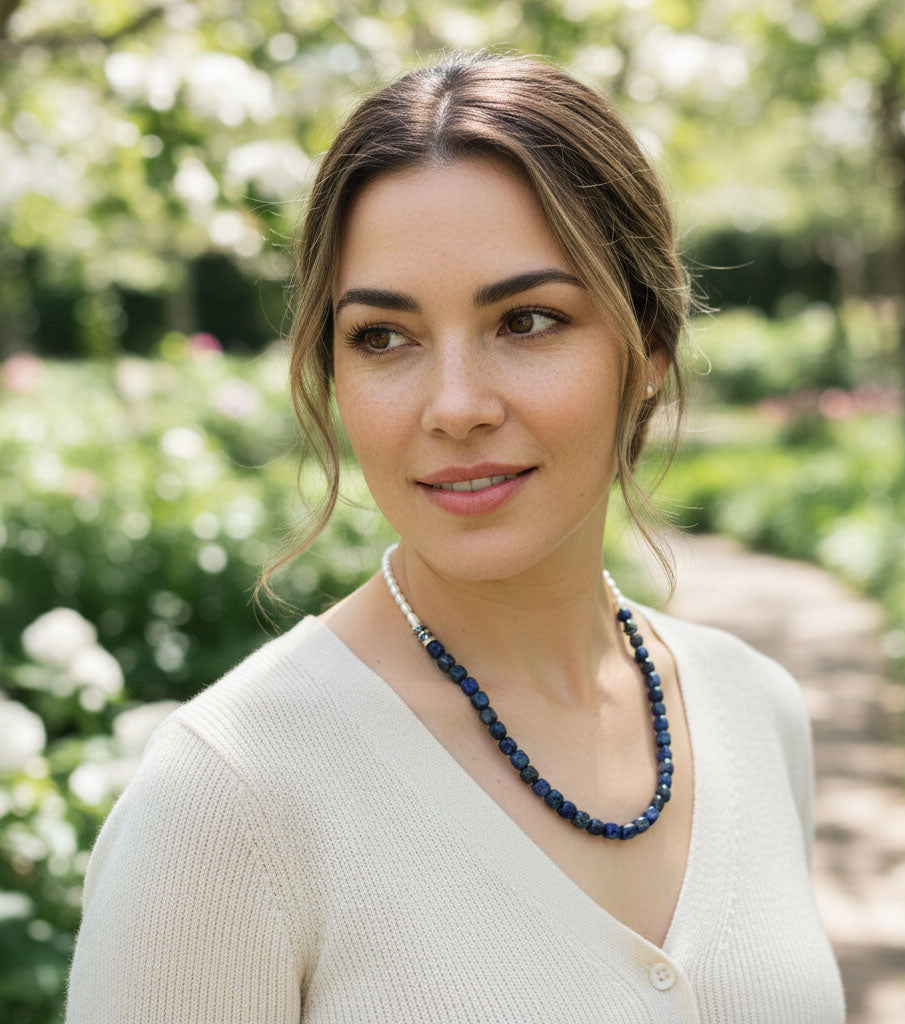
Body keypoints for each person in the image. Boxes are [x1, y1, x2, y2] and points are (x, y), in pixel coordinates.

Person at [63, 51, 845, 1023]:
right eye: (384, 337)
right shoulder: (232, 796)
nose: (456, 406)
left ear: (646, 346)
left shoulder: (752, 712)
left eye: (525, 320)